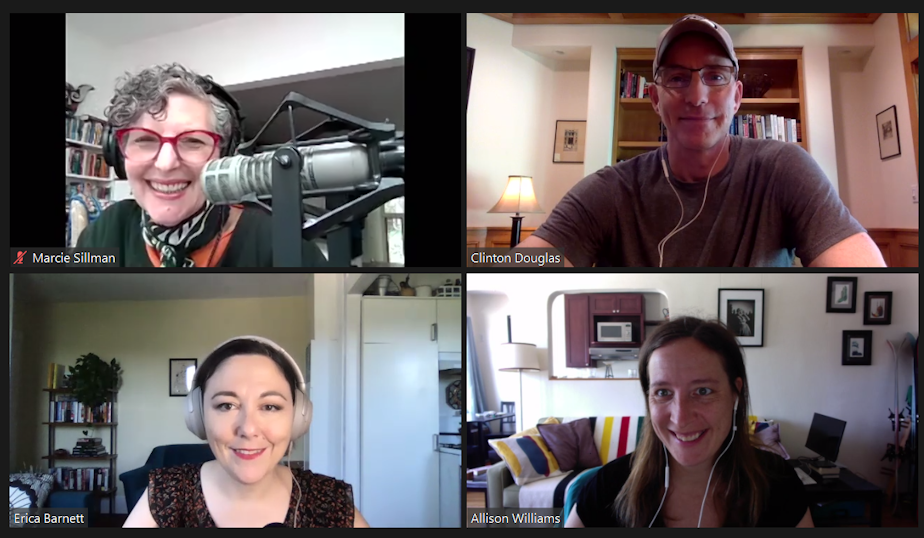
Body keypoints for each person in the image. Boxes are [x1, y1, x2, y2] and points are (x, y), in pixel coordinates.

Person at [517, 14, 885, 268]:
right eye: (677, 78)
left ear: (737, 96)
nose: (697, 96)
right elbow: (525, 262)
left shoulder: (784, 169)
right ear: (655, 99)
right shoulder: (611, 190)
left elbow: (865, 276)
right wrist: (483, 261)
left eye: (715, 76)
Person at [565, 317, 813, 527]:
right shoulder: (608, 488)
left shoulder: (779, 484)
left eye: (703, 391)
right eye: (663, 392)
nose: (681, 417)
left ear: (735, 392)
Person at [76, 63, 327, 267]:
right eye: (145, 140)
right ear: (118, 154)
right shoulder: (107, 231)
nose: (165, 164)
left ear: (223, 155)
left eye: (192, 141)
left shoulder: (279, 243)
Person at [123, 336, 370, 527]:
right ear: (198, 416)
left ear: (297, 417)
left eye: (270, 406)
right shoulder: (168, 492)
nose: (249, 429)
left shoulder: (328, 501)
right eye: (226, 405)